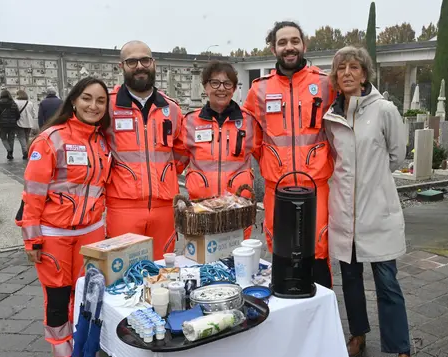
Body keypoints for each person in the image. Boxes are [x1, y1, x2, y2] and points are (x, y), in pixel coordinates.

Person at [323, 46, 413, 357]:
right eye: (340, 68)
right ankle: (358, 334)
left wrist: (372, 185)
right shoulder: (331, 117)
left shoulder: (385, 110)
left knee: (388, 284)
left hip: (378, 212)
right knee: (351, 281)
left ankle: (402, 351)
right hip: (345, 215)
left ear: (364, 74)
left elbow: (397, 155)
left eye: (353, 67)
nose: (346, 72)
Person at [15, 77, 112, 357]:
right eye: (87, 98)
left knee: (86, 297)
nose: (93, 106)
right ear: (73, 100)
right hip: (54, 235)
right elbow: (32, 194)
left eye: (100, 101)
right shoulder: (50, 140)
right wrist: (31, 238)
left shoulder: (102, 142)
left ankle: (84, 350)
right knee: (57, 299)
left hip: (92, 234)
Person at [242, 21, 336, 288]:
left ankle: (320, 320)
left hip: (316, 187)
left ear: (304, 45)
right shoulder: (259, 89)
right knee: (281, 252)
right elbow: (252, 139)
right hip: (277, 188)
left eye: (294, 41)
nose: (289, 47)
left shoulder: (326, 84)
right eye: (282, 42)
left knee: (318, 253)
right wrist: (271, 163)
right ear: (273, 48)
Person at [106, 40, 185, 261]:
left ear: (154, 63)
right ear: (121, 66)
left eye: (145, 60)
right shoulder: (108, 107)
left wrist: (165, 175)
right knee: (122, 274)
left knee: (162, 272)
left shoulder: (172, 109)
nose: (139, 66)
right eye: (132, 61)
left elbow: (181, 151)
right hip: (123, 206)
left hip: (164, 206)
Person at [178, 61, 262, 238]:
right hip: (201, 210)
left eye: (227, 83)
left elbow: (264, 157)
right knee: (201, 263)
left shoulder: (249, 122)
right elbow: (177, 163)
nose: (221, 89)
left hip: (237, 209)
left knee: (237, 262)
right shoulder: (190, 122)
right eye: (215, 83)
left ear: (234, 88)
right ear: (205, 87)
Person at [0, 89, 21, 160]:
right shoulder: (13, 103)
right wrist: (13, 120)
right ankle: (10, 154)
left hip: (2, 125)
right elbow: (18, 115)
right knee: (11, 139)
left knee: (3, 138)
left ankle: (9, 150)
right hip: (12, 124)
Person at [15, 90, 38, 160]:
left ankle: (25, 152)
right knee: (27, 137)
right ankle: (28, 150)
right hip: (29, 123)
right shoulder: (30, 103)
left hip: (19, 122)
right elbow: (34, 114)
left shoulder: (16, 102)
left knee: (21, 137)